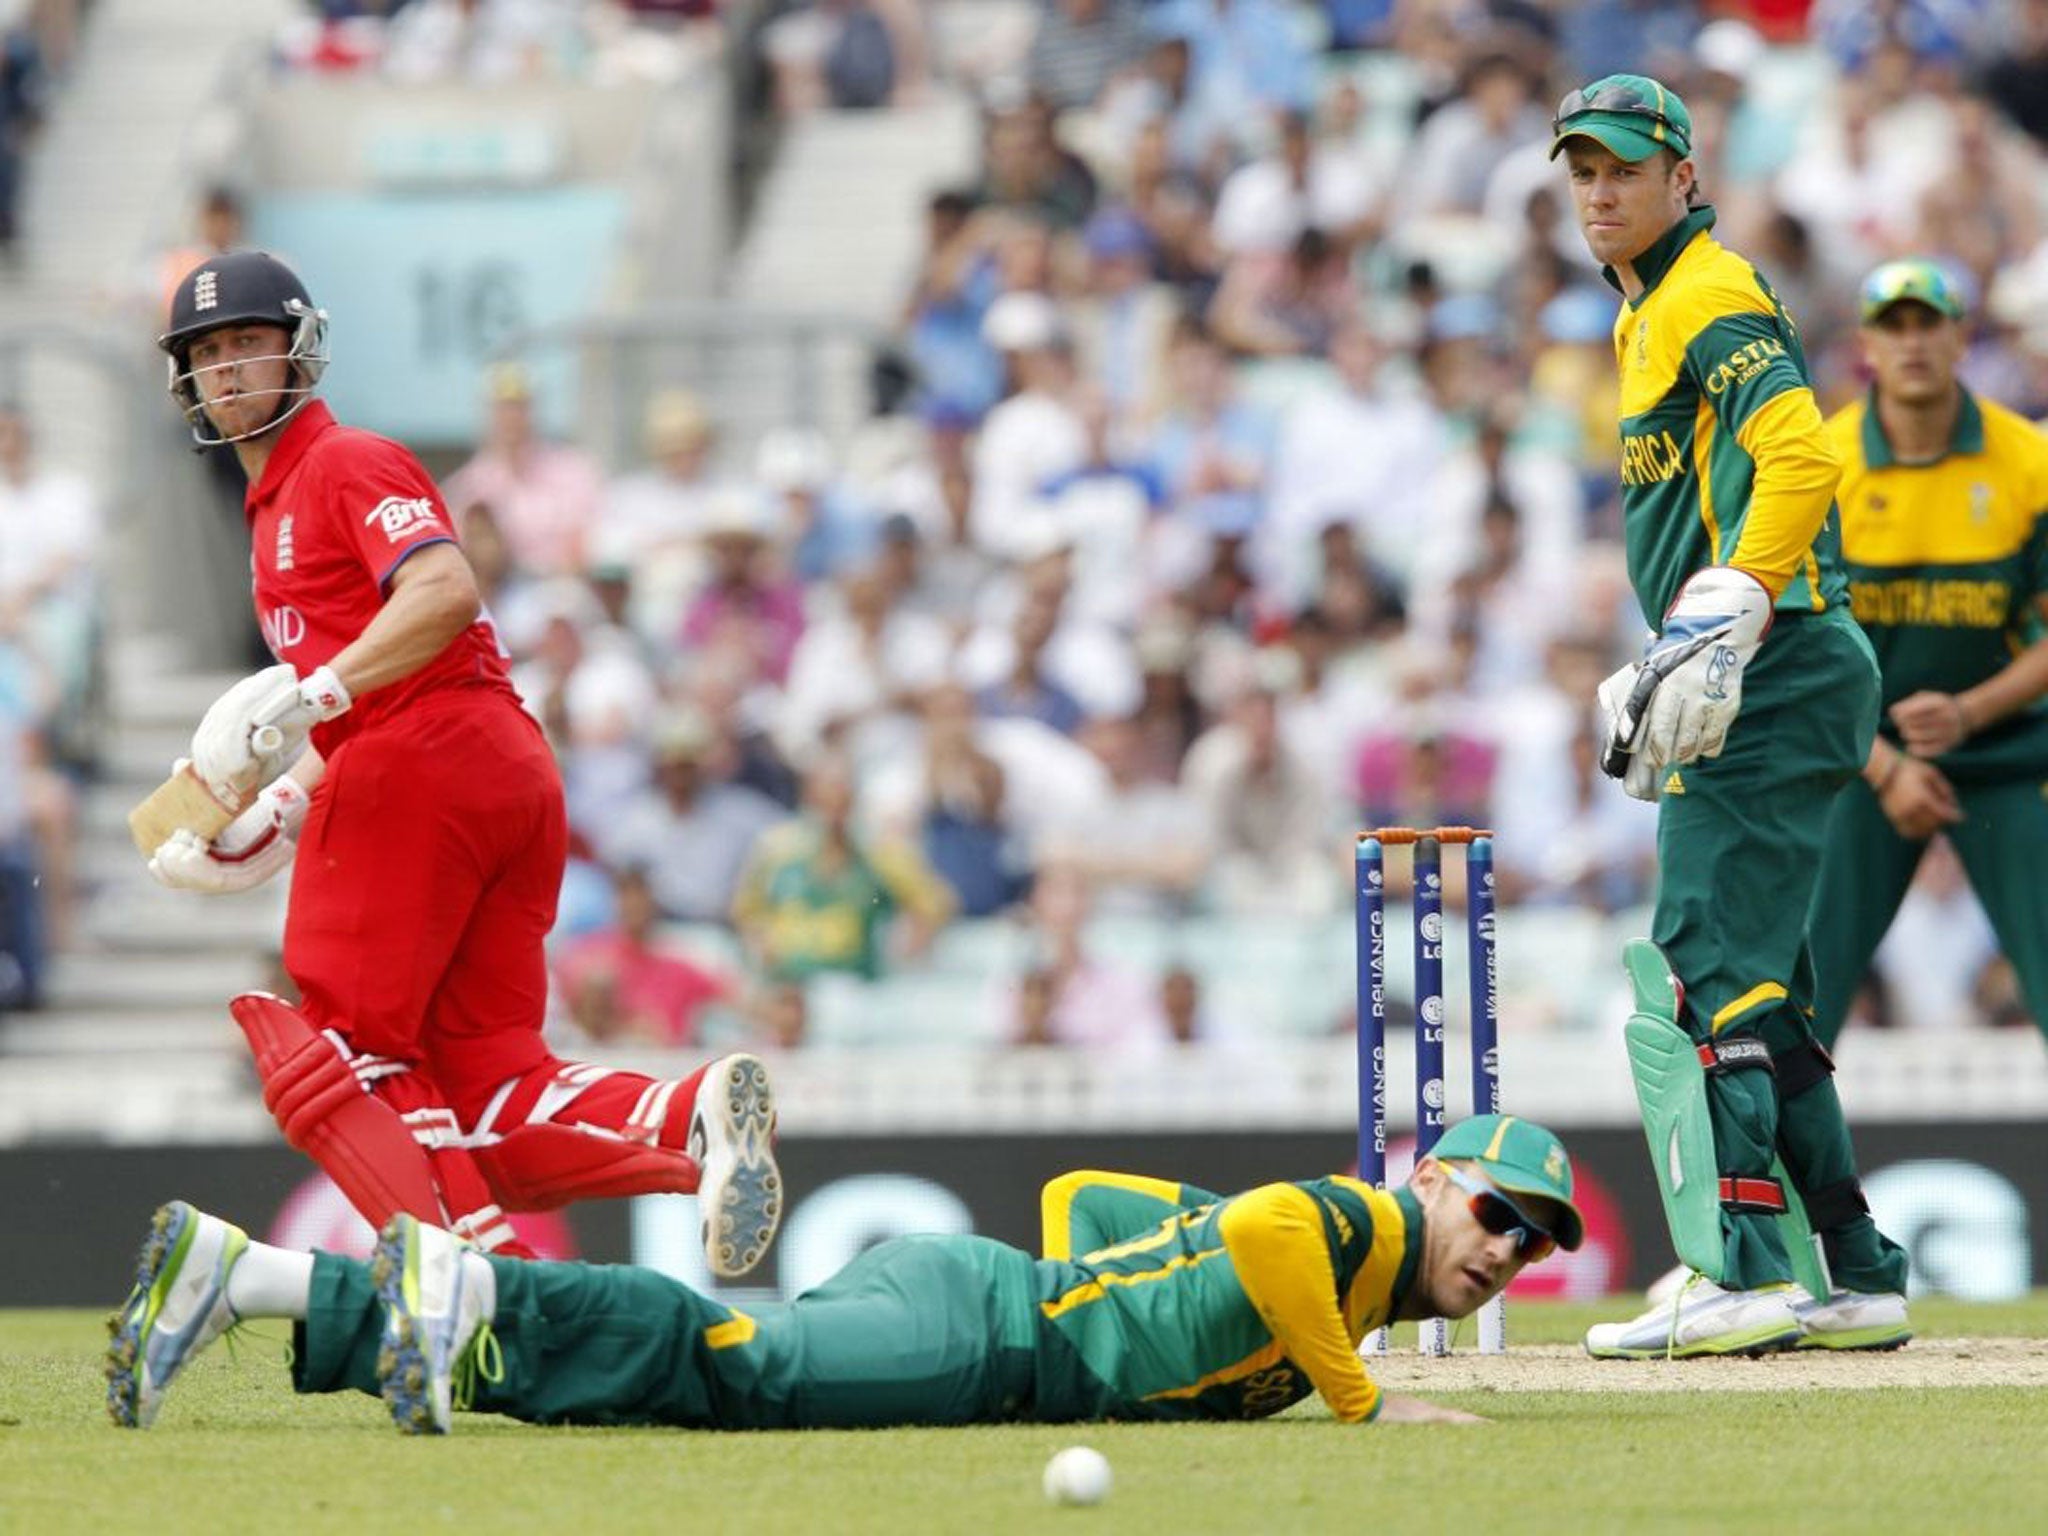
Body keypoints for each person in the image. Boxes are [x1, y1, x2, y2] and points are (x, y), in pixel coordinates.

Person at [142, 251, 783, 1280]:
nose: (225, 369)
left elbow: (441, 592)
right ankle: (684, 1122)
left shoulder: (342, 462)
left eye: (246, 344)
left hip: (428, 755)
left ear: (297, 349)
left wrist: (315, 700)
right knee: (484, 1089)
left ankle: (460, 1284)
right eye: (206, 352)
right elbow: (359, 689)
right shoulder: (270, 513)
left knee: (334, 1053)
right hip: (491, 768)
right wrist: (287, 805)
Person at [106, 1113, 1584, 1436]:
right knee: (733, 1367)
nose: (1508, 1252)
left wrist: (1146, 1270)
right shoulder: (1361, 1227)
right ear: (1438, 1177)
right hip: (988, 1333)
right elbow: (1267, 1228)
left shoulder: (1363, 1269)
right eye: (1502, 1214)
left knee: (714, 1369)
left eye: (1535, 1244)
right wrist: (1365, 1405)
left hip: (996, 1306)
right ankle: (460, 1284)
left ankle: (257, 1282)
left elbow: (1086, 1193)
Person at [1551, 77, 1910, 1358]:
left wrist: (1734, 608)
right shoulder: (1648, 308)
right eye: (1581, 171)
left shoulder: (1701, 291)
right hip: (1777, 665)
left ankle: (1737, 1266)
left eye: (1623, 169)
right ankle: (1855, 1271)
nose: (1598, 192)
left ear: (1682, 180)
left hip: (1778, 664)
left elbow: (1803, 456)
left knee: (1695, 972)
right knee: (1761, 998)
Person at [1808, 260, 2048, 1046]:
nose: (1912, 343)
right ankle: (1770, 1170)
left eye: (1928, 323)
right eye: (1894, 326)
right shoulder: (1821, 467)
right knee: (1804, 991)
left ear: (1961, 338)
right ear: (1867, 346)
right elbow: (1795, 653)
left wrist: (1971, 710)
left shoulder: (2027, 462)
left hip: (2010, 750)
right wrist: (1885, 764)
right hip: (1857, 757)